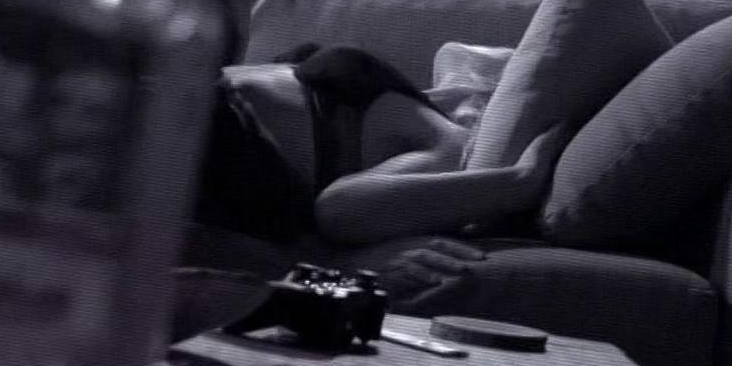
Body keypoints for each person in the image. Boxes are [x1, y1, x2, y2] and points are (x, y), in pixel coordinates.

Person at [194, 43, 567, 249]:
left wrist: (520, 181)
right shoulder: (448, 136)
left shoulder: (451, 144)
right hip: (228, 104)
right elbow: (338, 209)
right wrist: (521, 180)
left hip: (246, 99)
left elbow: (339, 208)